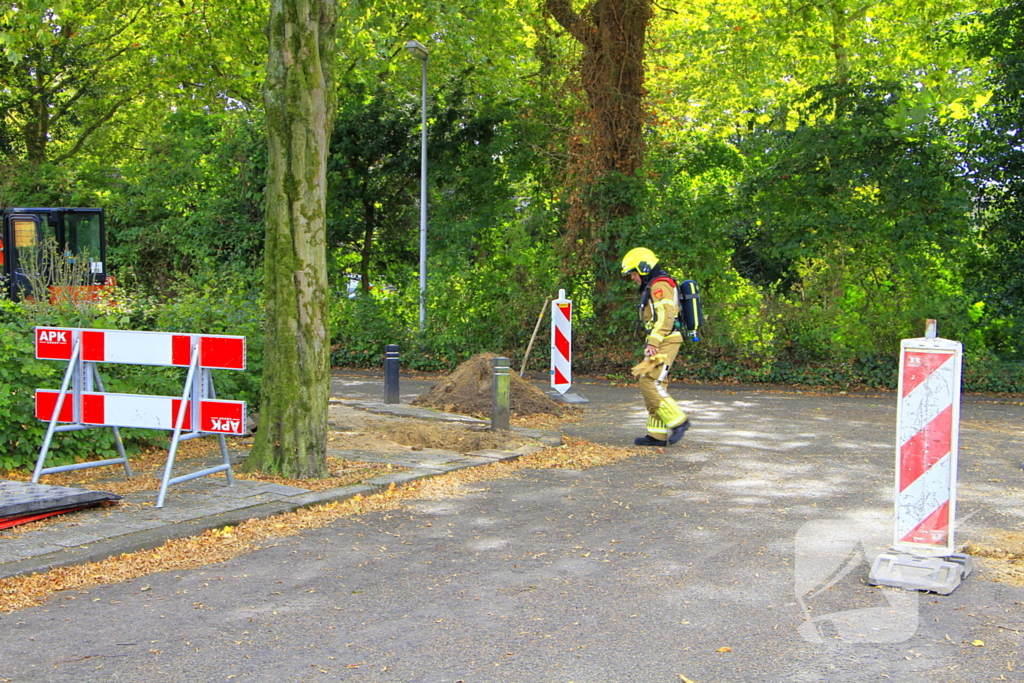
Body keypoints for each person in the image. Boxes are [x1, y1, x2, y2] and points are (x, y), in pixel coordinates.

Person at [621, 247, 690, 446]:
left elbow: (666, 317)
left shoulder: (660, 284)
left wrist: (654, 341)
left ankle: (679, 421)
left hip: (666, 339)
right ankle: (657, 435)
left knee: (648, 381)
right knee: (656, 383)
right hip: (663, 339)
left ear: (644, 268)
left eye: (633, 272)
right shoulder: (654, 284)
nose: (632, 277)